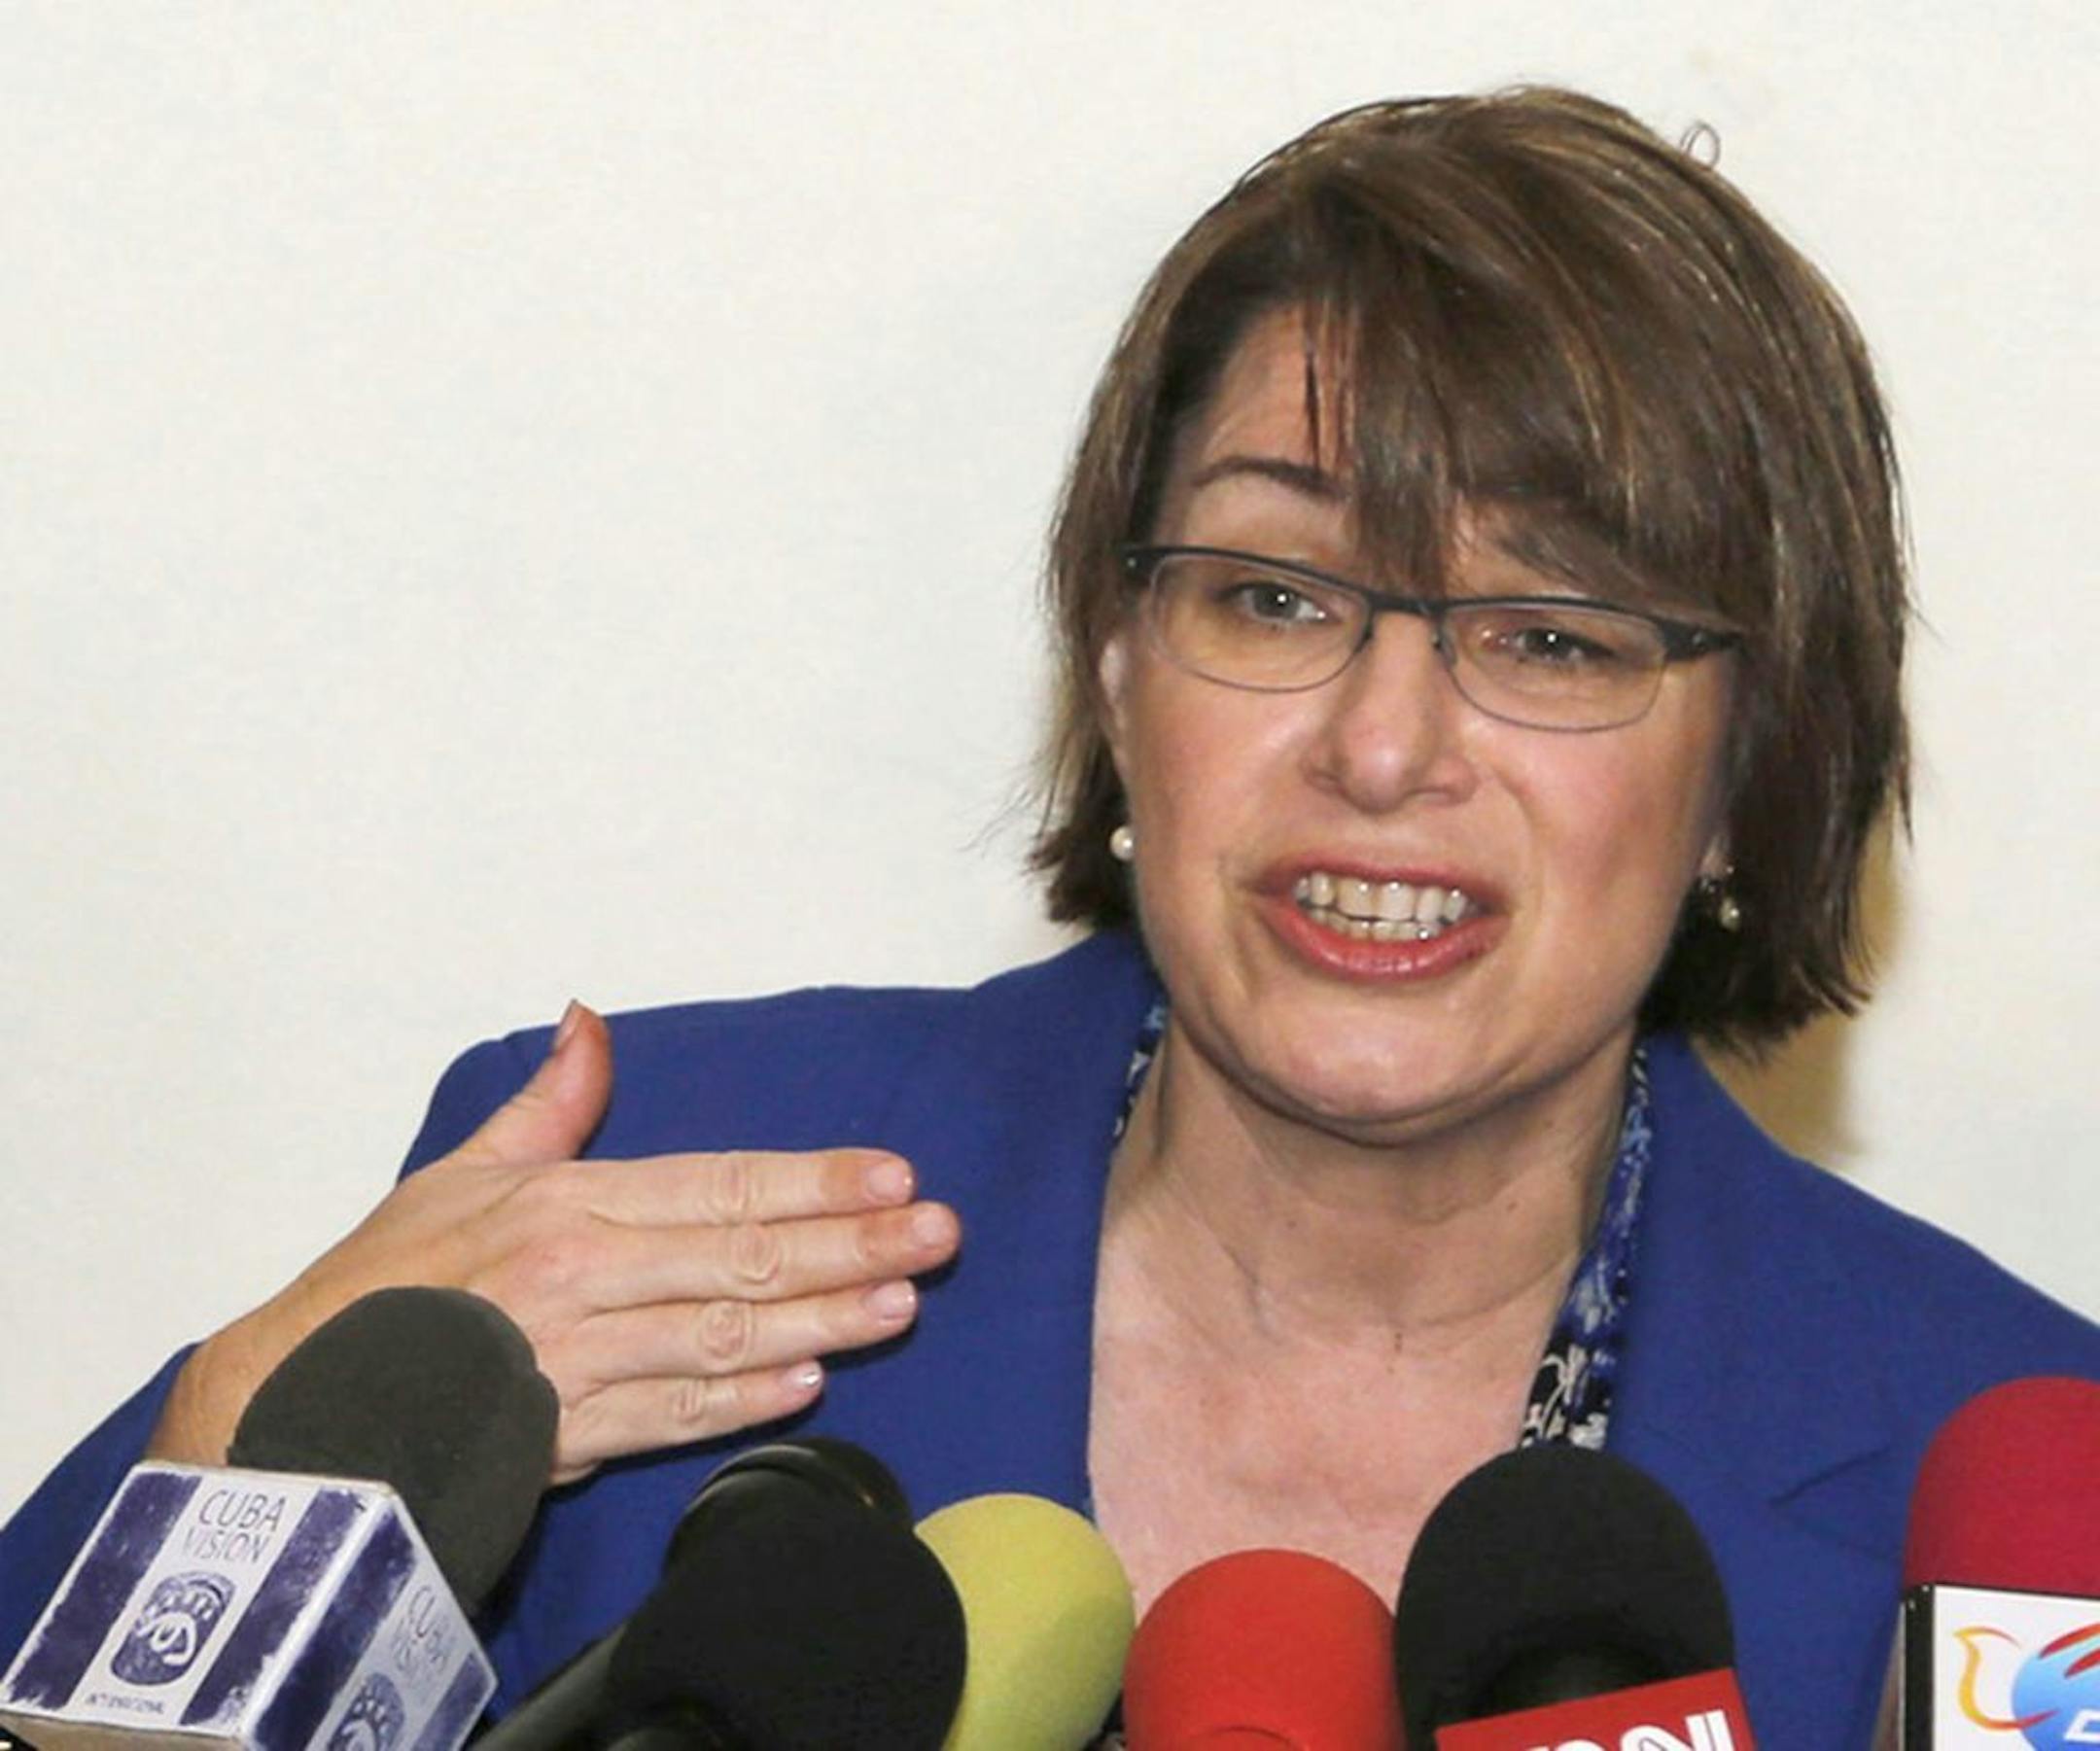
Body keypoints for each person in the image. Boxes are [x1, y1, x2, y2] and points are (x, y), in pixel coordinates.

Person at [5, 87, 2096, 1749]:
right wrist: (247, 1437)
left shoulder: (2016, 1500)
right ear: (1117, 666)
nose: (1383, 747)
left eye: (1551, 636)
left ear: (1748, 768)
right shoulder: (630, 1194)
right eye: (1273, 596)